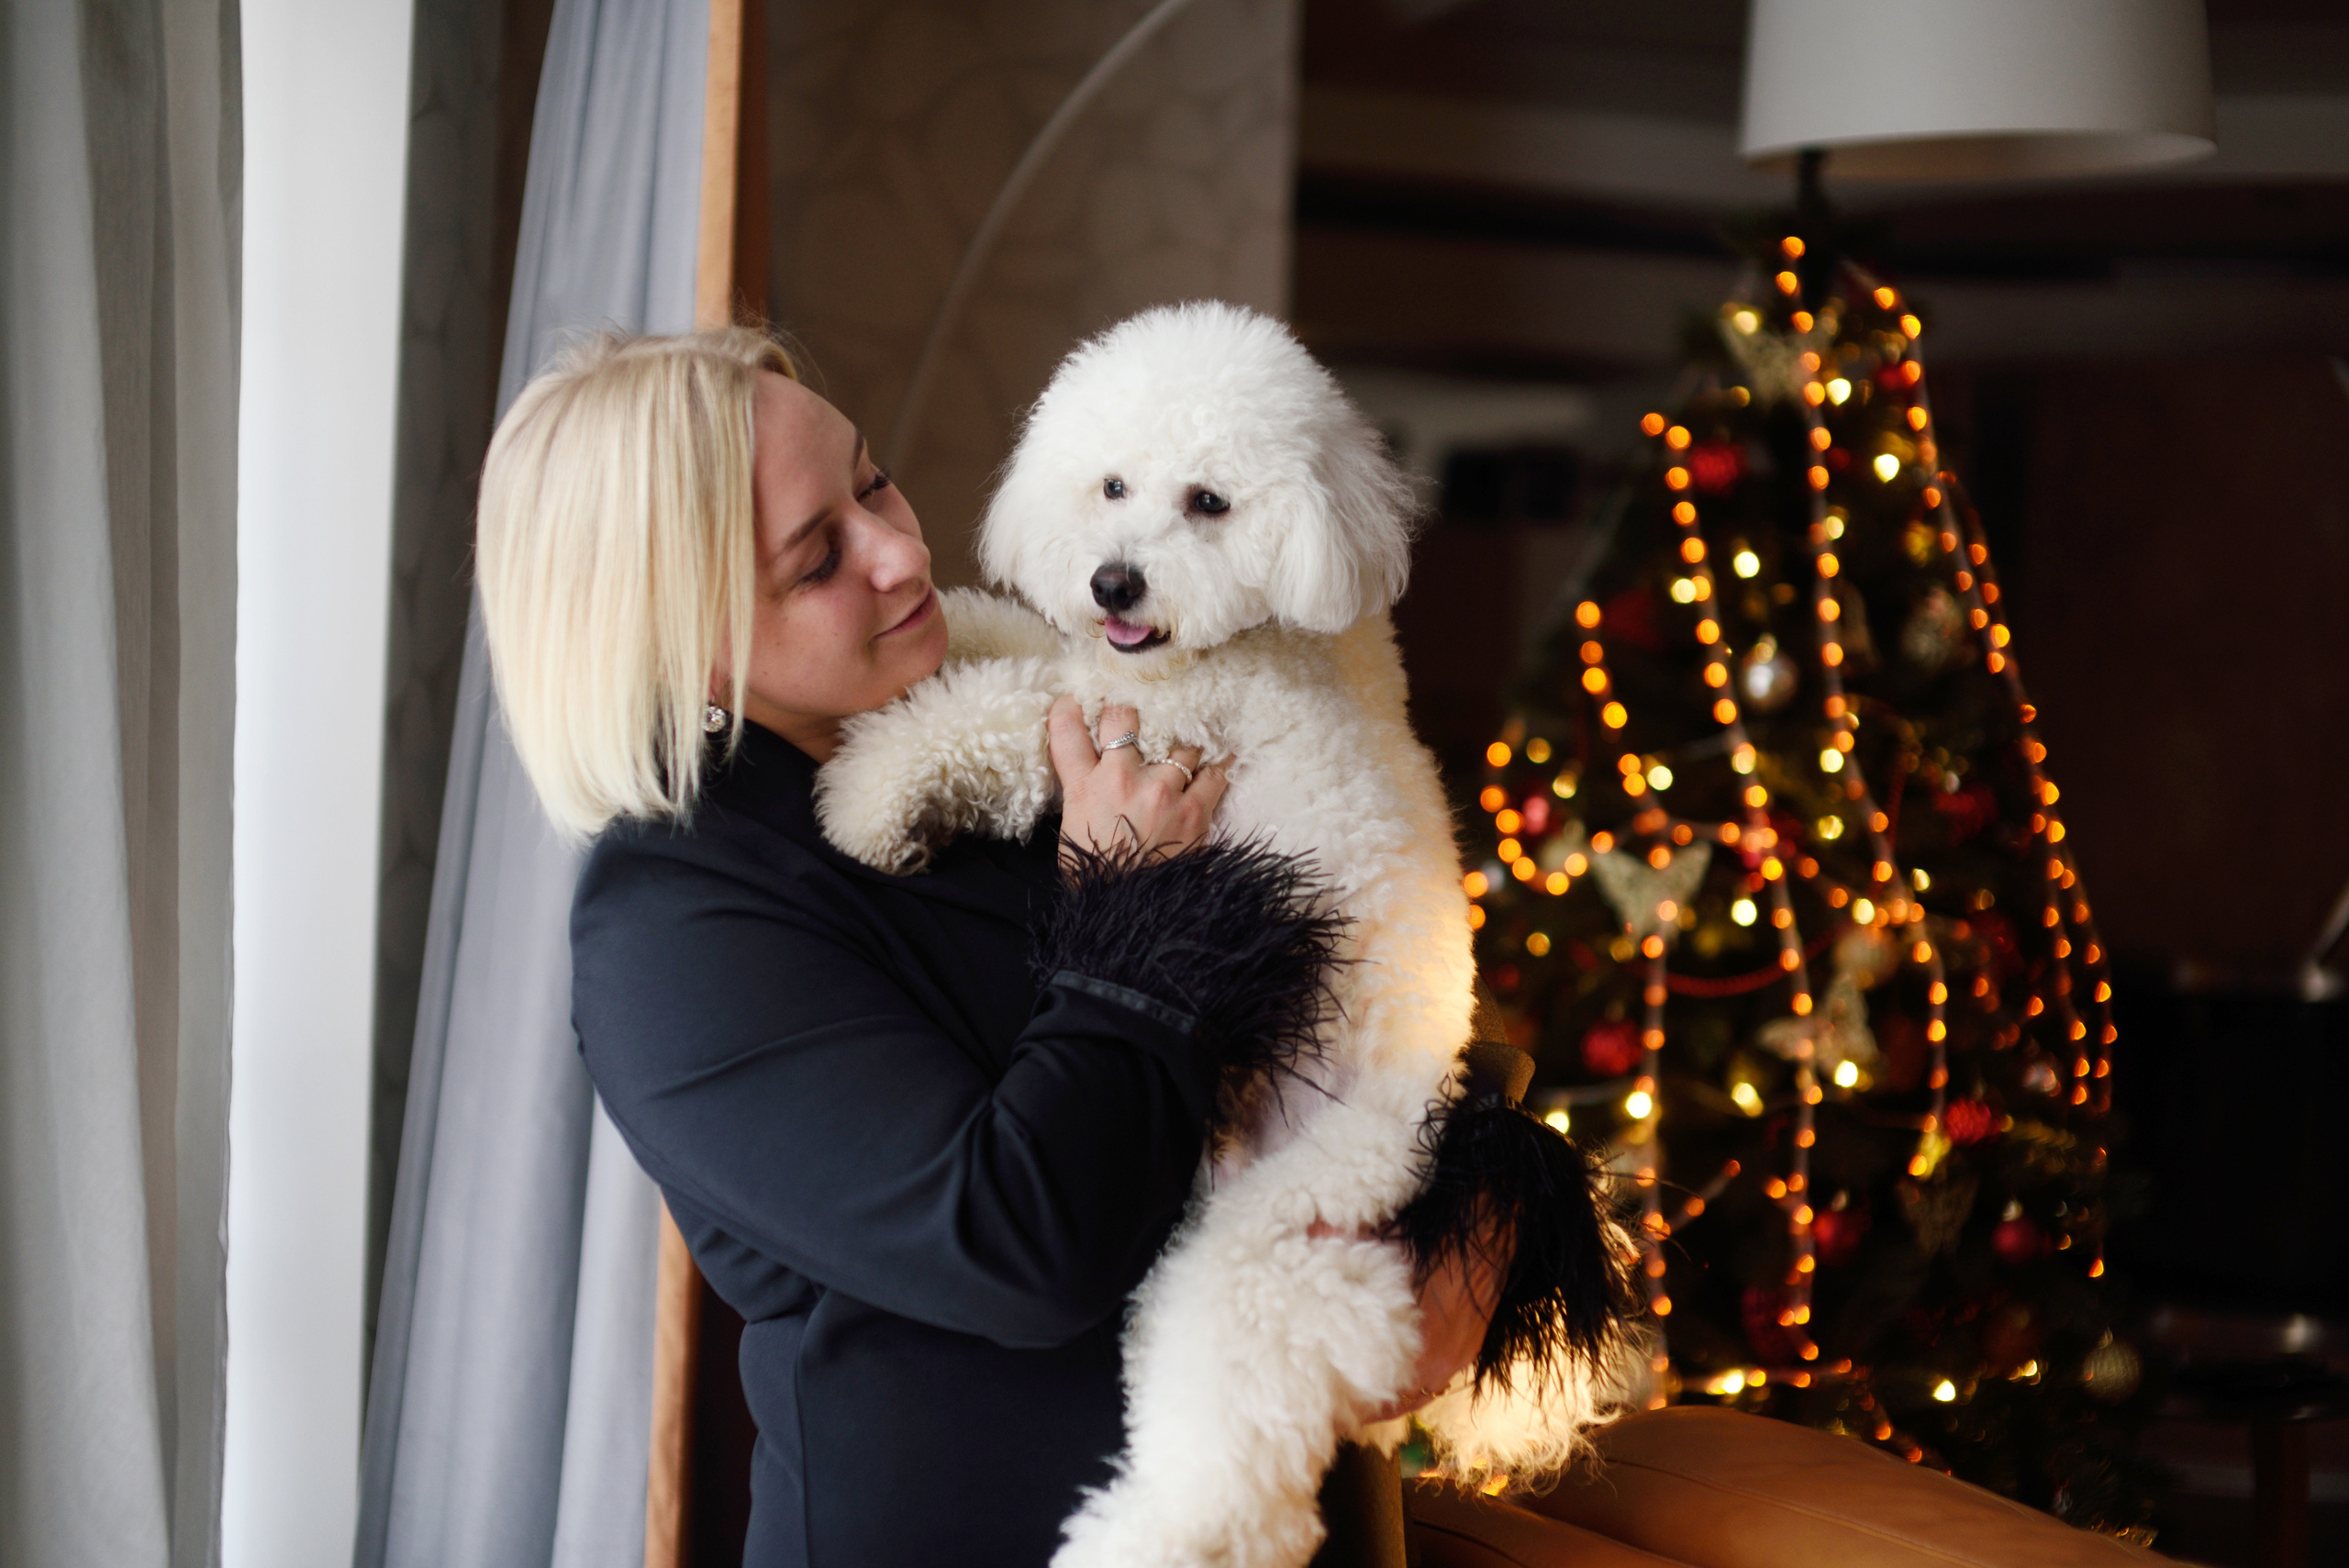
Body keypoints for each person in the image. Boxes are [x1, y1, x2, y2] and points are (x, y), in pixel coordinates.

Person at [473, 328, 1498, 1568]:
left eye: (873, 480)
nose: (900, 550)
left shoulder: (1054, 695)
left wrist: (1478, 1228)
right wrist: (1129, 897)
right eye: (817, 559)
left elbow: (1380, 969)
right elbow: (1018, 1246)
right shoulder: (674, 924)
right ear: (678, 644)